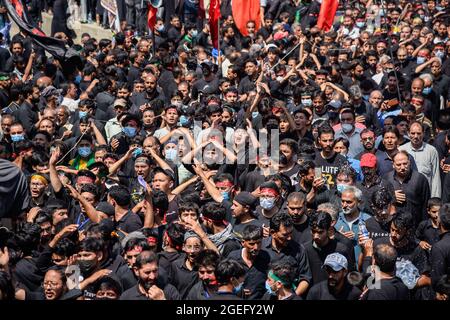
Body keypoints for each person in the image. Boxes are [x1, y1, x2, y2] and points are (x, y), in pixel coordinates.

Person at [385, 151, 430, 227]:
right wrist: (391, 196)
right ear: (393, 165)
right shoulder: (387, 179)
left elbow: (426, 205)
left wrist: (424, 227)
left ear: (409, 162)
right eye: (398, 165)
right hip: (393, 227)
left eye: (405, 164)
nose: (402, 167)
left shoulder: (420, 179)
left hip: (415, 226)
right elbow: (381, 202)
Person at [228, 225, 271, 300]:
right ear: (243, 243)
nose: (256, 247)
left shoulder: (266, 257)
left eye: (259, 243)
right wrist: (236, 290)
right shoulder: (233, 258)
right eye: (251, 244)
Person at [399, 122, 441, 198]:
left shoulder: (431, 151)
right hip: (406, 196)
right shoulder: (401, 150)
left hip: (425, 196)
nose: (416, 136)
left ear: (423, 133)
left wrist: (435, 199)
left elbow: (435, 176)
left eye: (418, 133)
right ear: (408, 133)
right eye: (413, 133)